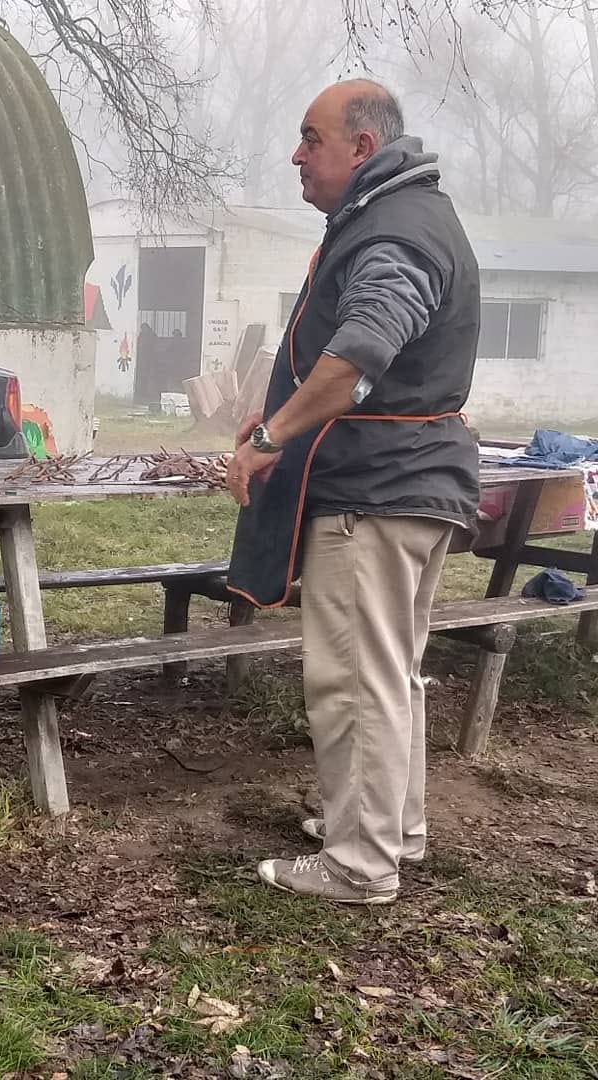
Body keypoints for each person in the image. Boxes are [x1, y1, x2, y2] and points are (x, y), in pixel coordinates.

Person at [225, 80, 480, 905]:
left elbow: (361, 352)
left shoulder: (394, 230)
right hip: (413, 482)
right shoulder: (404, 215)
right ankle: (392, 828)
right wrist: (275, 412)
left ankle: (360, 863)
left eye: (312, 138)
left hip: (376, 490)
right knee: (391, 671)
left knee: (355, 680)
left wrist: (271, 438)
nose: (296, 155)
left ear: (363, 148)